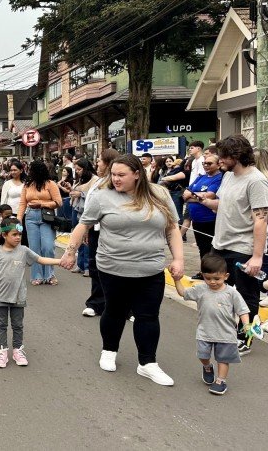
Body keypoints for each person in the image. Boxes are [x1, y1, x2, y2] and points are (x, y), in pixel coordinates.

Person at [61, 154, 182, 386]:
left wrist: (178, 259)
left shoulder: (160, 194)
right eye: (113, 174)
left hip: (151, 268)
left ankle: (148, 363)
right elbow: (83, 225)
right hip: (113, 267)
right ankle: (109, 350)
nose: (115, 179)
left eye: (121, 175)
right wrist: (70, 251)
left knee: (148, 315)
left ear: (137, 174)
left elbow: (172, 229)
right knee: (115, 311)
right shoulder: (102, 197)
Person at [0, 217, 60, 368]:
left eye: (20, 234)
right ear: (4, 235)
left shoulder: (24, 251)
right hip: (0, 295)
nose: (18, 237)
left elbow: (41, 259)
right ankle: (2, 351)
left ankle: (18, 350)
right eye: (14, 234)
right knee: (1, 325)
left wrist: (61, 261)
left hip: (18, 296)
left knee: (18, 325)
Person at [207, 135, 268, 355]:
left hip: (242, 248)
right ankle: (227, 330)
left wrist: (257, 257)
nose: (219, 160)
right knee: (220, 292)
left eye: (222, 156)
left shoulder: (256, 180)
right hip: (220, 244)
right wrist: (202, 200)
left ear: (235, 155)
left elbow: (261, 219)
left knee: (247, 297)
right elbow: (224, 204)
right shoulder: (228, 177)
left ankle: (246, 337)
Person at [171, 253, 249, 395]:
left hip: (226, 333)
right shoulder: (200, 290)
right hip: (205, 331)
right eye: (208, 278)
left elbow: (242, 310)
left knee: (223, 359)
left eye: (217, 278)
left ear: (226, 276)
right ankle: (207, 367)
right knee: (202, 355)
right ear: (202, 275)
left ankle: (220, 381)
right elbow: (183, 293)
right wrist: (176, 280)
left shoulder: (232, 293)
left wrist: (246, 325)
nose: (212, 282)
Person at [81, 148, 120, 317]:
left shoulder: (118, 183)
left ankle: (123, 307)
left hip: (112, 230)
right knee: (95, 266)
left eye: (99, 160)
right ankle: (96, 303)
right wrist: (86, 229)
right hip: (94, 229)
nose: (97, 163)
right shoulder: (97, 182)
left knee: (117, 268)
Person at [17, 160, 62, 286]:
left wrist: (42, 204)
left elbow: (59, 202)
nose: (29, 172)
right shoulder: (27, 185)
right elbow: (22, 203)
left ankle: (49, 275)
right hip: (30, 217)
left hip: (46, 217)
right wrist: (19, 218)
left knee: (47, 247)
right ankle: (37, 275)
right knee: (34, 248)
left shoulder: (50, 184)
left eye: (32, 170)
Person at [183, 153, 223, 272]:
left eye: (209, 163)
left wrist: (192, 196)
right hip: (196, 220)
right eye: (204, 163)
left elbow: (211, 195)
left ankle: (213, 272)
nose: (206, 165)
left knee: (211, 248)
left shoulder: (219, 178)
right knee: (202, 248)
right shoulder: (201, 177)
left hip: (210, 219)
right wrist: (197, 197)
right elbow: (186, 194)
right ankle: (204, 271)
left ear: (218, 165)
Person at [68, 158, 98, 277]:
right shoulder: (80, 180)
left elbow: (94, 195)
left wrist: (80, 194)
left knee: (86, 239)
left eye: (79, 169)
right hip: (77, 209)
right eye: (76, 170)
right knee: (78, 238)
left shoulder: (95, 180)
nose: (78, 172)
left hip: (87, 211)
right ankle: (80, 264)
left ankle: (87, 266)